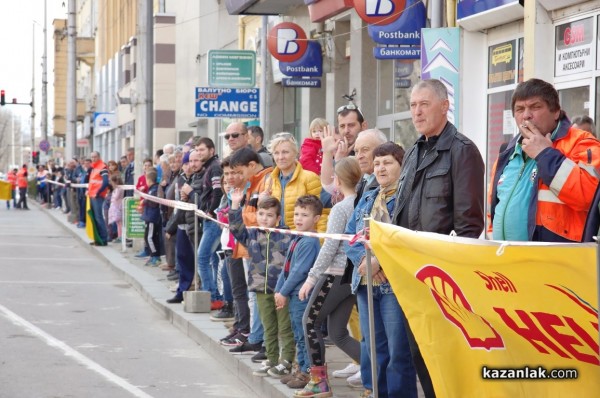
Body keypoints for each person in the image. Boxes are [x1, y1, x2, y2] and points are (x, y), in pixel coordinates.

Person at [391, 79, 485, 398]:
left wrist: (453, 275)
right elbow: (401, 210)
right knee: (420, 355)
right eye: (413, 105)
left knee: (444, 358)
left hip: (441, 277)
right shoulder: (414, 150)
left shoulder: (462, 151)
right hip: (410, 273)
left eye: (424, 104)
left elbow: (469, 224)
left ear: (444, 106)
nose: (417, 112)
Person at [489, 78, 600, 243]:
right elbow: (494, 207)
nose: (526, 115)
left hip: (556, 261)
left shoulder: (582, 142)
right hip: (505, 260)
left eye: (535, 107)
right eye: (520, 109)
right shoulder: (507, 152)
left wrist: (545, 154)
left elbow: (589, 197)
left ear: (556, 112)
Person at [346, 142, 417, 398]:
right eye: (376, 163)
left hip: (394, 285)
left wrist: (380, 263)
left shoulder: (409, 197)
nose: (380, 168)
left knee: (398, 350)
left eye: (387, 162)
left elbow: (408, 238)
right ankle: (375, 392)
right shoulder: (368, 196)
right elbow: (349, 236)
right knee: (373, 348)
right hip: (366, 284)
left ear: (402, 164)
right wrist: (365, 263)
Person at [296, 157, 362, 398]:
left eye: (334, 176)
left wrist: (312, 277)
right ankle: (375, 370)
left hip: (335, 274)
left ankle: (319, 382)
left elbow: (331, 245)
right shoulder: (363, 202)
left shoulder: (342, 207)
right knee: (338, 332)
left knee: (309, 322)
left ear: (340, 179)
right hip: (351, 276)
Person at [227, 193, 296, 379]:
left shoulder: (286, 235)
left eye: (270, 215)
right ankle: (272, 359)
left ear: (278, 218)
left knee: (285, 327)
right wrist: (234, 204)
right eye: (262, 213)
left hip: (281, 290)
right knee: (269, 327)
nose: (264, 218)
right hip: (260, 289)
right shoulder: (252, 234)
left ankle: (287, 360)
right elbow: (235, 228)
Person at [272, 195, 322, 389]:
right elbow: (287, 266)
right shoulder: (298, 236)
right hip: (292, 294)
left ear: (316, 219)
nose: (298, 218)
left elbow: (299, 271)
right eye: (296, 214)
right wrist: (279, 289)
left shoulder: (309, 242)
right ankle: (300, 369)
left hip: (302, 295)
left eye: (305, 215)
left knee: (303, 334)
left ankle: (307, 373)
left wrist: (283, 292)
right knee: (296, 332)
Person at [263, 133, 326, 231]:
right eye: (276, 153)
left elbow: (322, 214)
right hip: (277, 240)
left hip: (302, 240)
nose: (280, 157)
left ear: (296, 153)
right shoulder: (270, 181)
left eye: (285, 152)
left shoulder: (310, 178)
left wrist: (320, 242)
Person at [193, 137, 224, 310]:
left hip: (213, 220)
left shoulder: (215, 167)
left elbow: (218, 193)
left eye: (202, 150)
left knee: (202, 257)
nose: (199, 153)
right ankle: (216, 297)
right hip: (208, 219)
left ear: (211, 150)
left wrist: (211, 211)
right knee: (211, 259)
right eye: (197, 150)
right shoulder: (209, 167)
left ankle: (212, 297)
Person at [164, 151, 196, 304]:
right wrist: (172, 226)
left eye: (191, 162)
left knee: (193, 260)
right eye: (186, 163)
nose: (189, 166)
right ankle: (182, 290)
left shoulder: (196, 179)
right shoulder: (181, 179)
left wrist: (170, 227)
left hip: (193, 225)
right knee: (183, 259)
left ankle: (189, 288)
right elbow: (178, 206)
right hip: (182, 224)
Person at [88, 151, 110, 246]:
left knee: (99, 217)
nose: (93, 159)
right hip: (92, 195)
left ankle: (103, 239)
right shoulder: (93, 167)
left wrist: (98, 192)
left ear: (99, 157)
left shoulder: (102, 167)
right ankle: (97, 239)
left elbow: (105, 182)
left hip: (98, 196)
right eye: (92, 157)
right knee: (94, 217)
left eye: (95, 157)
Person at [141, 167, 162, 266]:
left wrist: (145, 200)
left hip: (153, 218)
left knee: (149, 237)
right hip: (149, 216)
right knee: (149, 237)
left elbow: (154, 203)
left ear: (148, 179)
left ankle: (155, 256)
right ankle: (152, 254)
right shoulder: (151, 189)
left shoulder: (154, 189)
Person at [108, 174, 124, 243]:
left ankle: (121, 236)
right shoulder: (116, 189)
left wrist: (112, 197)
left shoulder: (119, 189)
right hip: (116, 206)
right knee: (118, 223)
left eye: (111, 182)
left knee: (120, 223)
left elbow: (116, 197)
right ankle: (119, 235)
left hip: (118, 207)